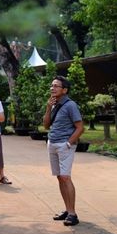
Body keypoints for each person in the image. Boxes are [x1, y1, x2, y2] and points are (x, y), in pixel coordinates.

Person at [43, 75, 84, 226]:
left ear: (64, 90)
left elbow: (80, 128)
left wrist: (68, 143)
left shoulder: (71, 105)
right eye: (51, 86)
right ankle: (67, 210)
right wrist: (48, 108)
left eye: (56, 86)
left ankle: (73, 214)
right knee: (60, 177)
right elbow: (46, 125)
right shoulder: (54, 104)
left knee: (66, 177)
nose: (52, 88)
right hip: (52, 143)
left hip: (64, 145)